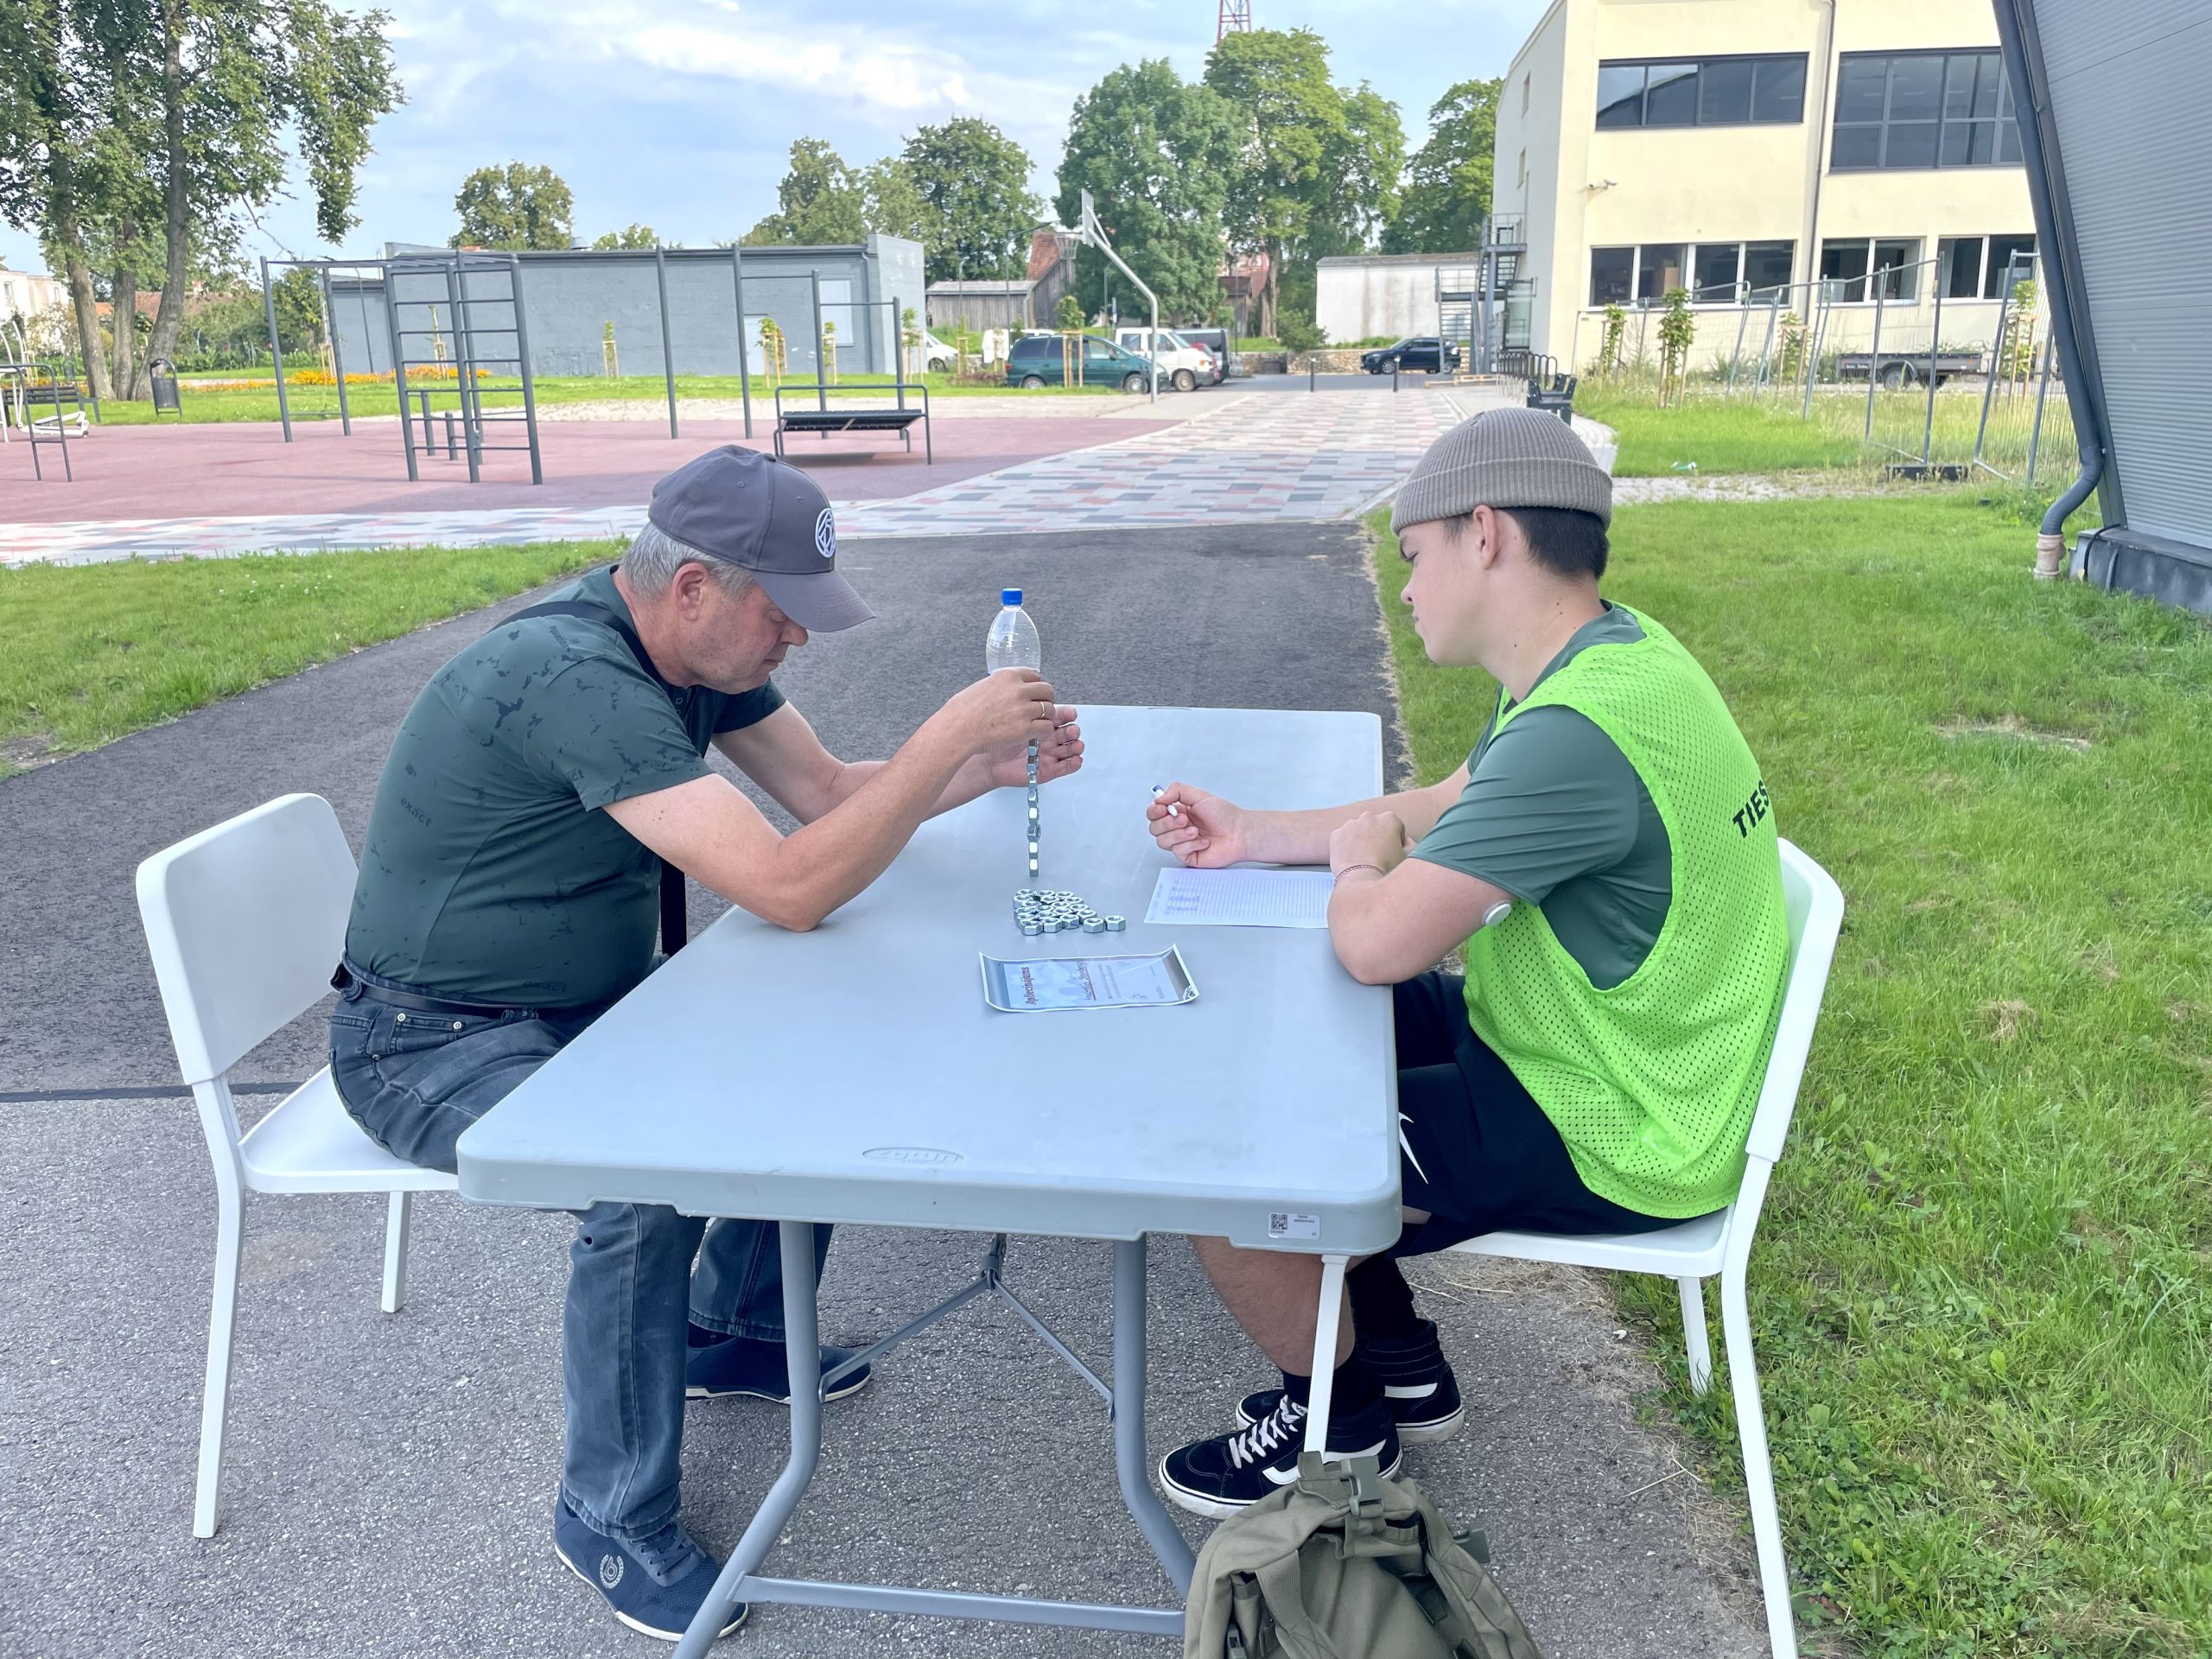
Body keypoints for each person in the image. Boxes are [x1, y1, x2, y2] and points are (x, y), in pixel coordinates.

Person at [328, 444, 1082, 1638]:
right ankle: (607, 1516)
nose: (799, 638)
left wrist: (981, 771)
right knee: (640, 1177)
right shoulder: (575, 675)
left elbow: (826, 796)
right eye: (782, 614)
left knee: (809, 1034)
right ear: (693, 589)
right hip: (426, 1042)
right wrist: (945, 737)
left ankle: (733, 1332)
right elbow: (790, 887)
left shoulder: (685, 652)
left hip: (574, 1010)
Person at [1143, 408, 1787, 1516]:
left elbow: (1376, 940)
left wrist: (1355, 869)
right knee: (1296, 1035)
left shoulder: (1576, 733)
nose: (1405, 590)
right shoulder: (1611, 656)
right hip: (1590, 1049)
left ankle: (1336, 1428)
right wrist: (1257, 833)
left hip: (1615, 1124)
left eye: (1411, 556)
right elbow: (1447, 807)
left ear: (1482, 534)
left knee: (1220, 1148)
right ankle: (1395, 1360)